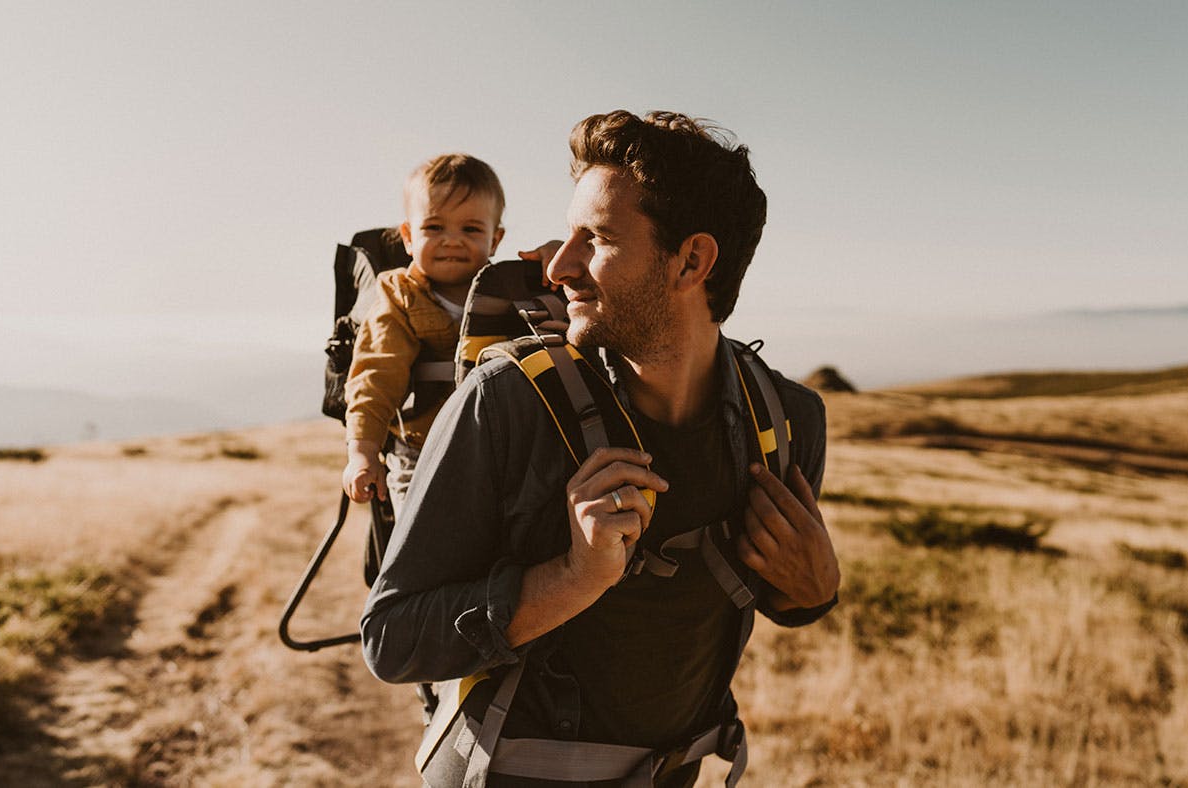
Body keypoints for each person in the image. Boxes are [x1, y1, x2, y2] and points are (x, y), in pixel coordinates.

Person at [362, 111, 841, 787]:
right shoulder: (507, 403)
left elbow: (780, 593)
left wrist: (817, 593)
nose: (559, 264)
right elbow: (392, 639)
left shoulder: (787, 423)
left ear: (692, 261)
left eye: (598, 239)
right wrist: (571, 579)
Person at [341, 154, 506, 509]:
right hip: (421, 453)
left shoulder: (511, 291)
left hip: (503, 453)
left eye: (471, 229)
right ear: (408, 237)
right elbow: (376, 374)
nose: (451, 240)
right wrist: (363, 451)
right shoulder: (400, 296)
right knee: (425, 550)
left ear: (495, 239)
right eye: (434, 228)